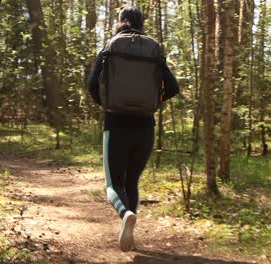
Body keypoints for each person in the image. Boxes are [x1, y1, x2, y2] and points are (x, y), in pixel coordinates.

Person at [87, 6, 179, 252]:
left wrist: (107, 103)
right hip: (145, 126)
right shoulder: (153, 50)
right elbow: (173, 87)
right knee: (132, 181)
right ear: (140, 23)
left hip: (116, 124)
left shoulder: (110, 47)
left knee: (112, 184)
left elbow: (92, 84)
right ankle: (130, 234)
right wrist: (152, 102)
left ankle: (125, 213)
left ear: (122, 22)